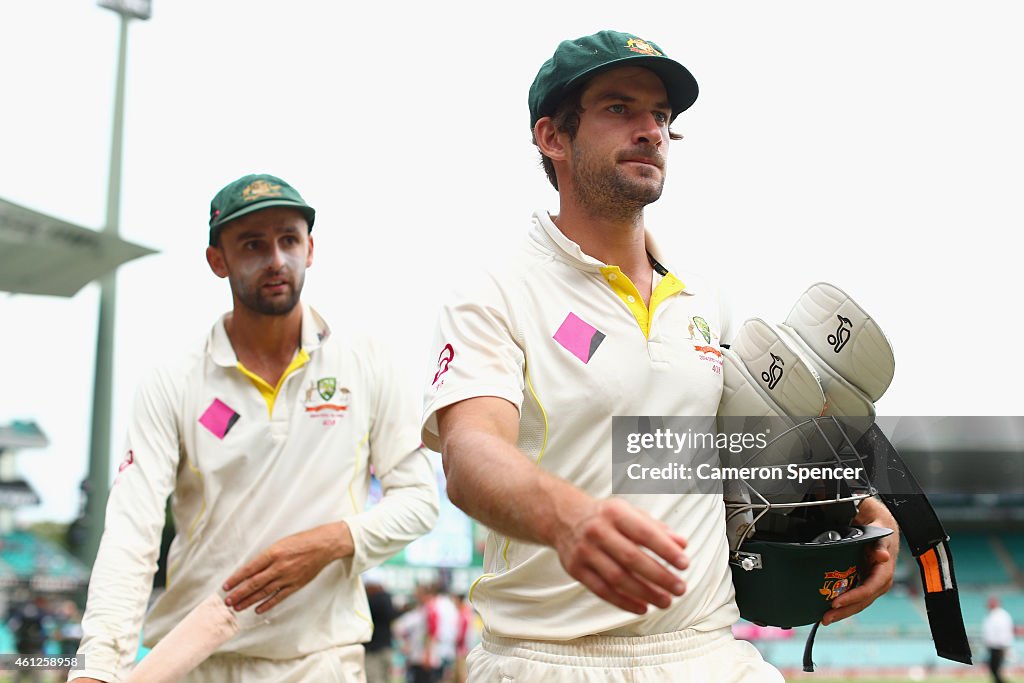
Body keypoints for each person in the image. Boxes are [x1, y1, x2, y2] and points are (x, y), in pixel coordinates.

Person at [421, 30, 899, 682]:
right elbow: (470, 454)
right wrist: (568, 517)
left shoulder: (704, 294)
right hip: (551, 658)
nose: (650, 129)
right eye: (620, 109)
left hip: (708, 650)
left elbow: (713, 449)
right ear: (552, 137)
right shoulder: (497, 288)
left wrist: (849, 498)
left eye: (662, 117)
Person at [70, 173, 439, 683]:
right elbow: (132, 532)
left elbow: (419, 500)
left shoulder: (366, 360)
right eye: (252, 244)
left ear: (310, 249)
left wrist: (332, 540)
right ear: (216, 260)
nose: (275, 259)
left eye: (289, 239)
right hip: (198, 657)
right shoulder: (174, 380)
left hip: (320, 660)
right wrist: (98, 667)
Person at [364, 576, 398, 683]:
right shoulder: (388, 600)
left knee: (375, 678)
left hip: (374, 650)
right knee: (386, 678)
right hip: (386, 647)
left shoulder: (372, 602)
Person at [983, 595, 1015, 683]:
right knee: (994, 668)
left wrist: (1004, 645)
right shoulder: (992, 615)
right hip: (993, 647)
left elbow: (1005, 632)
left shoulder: (1001, 615)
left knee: (995, 669)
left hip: (999, 646)